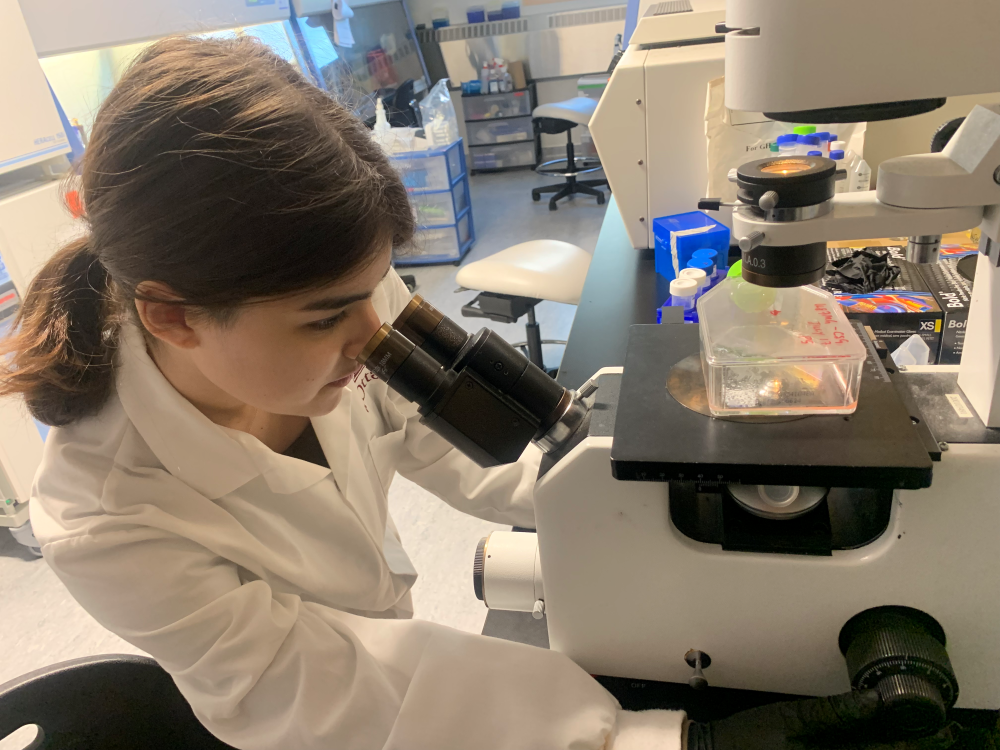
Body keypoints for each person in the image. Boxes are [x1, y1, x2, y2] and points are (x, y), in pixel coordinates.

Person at [0, 37, 965, 750]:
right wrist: (659, 741)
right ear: (173, 317)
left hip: (400, 653)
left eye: (376, 289)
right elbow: (315, 693)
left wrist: (628, 479)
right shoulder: (106, 518)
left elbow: (459, 445)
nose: (373, 337)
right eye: (326, 318)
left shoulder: (341, 303)